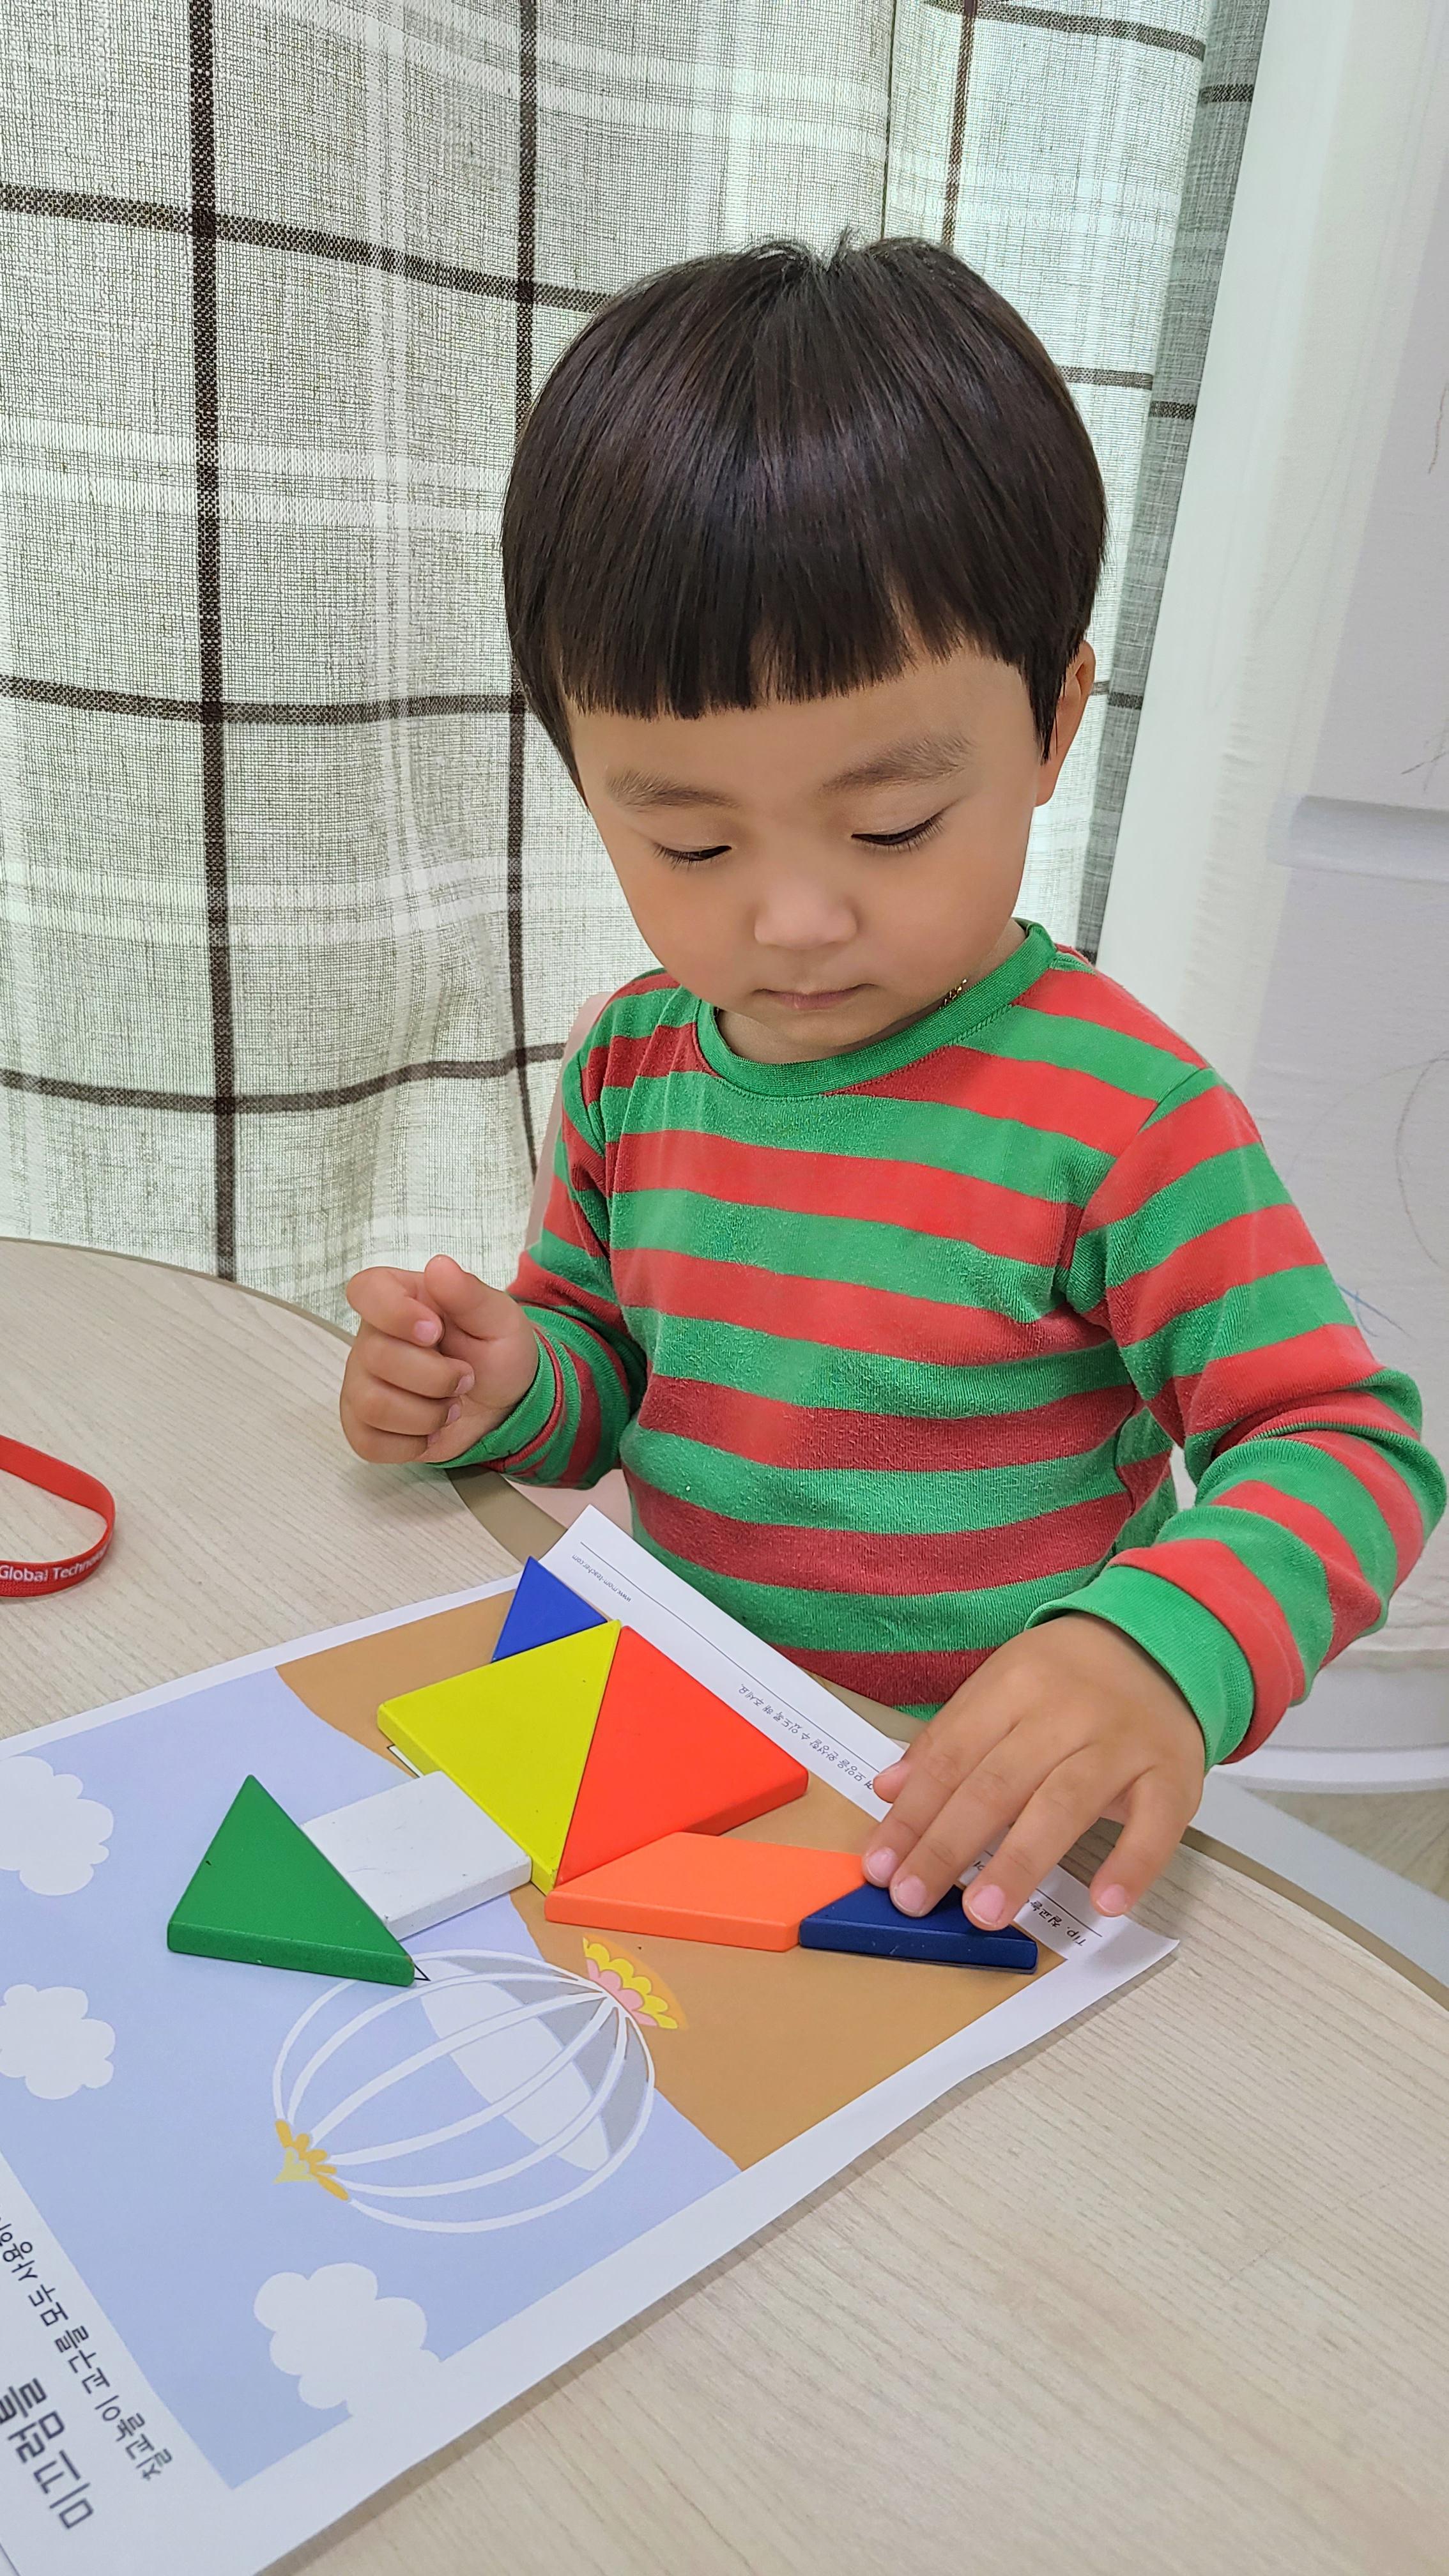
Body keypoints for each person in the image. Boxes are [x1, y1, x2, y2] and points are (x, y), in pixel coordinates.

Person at [339, 236, 1445, 1936]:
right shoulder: (635, 1063)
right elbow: (611, 1374)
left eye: (891, 826)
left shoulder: (1120, 1118)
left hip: (977, 1833)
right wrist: (505, 1383)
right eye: (689, 841)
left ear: (1053, 725)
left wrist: (1151, 1652)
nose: (793, 918)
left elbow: (1343, 1442)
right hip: (682, 1746)